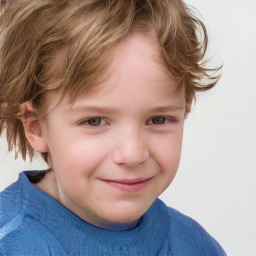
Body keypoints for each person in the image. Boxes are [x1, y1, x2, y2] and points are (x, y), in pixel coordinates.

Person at [0, 0, 226, 255]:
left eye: (158, 120)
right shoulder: (11, 243)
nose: (132, 154)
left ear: (184, 111)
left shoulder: (195, 246)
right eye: (94, 121)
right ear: (37, 128)